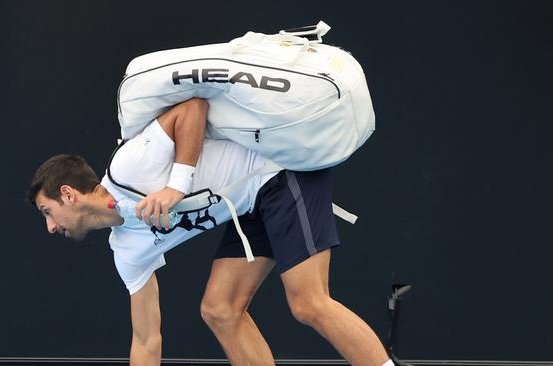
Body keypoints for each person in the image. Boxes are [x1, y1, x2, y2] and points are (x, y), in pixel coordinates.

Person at [28, 98, 394, 366]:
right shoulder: (126, 250)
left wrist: (177, 185)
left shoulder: (128, 167)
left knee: (308, 302)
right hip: (249, 205)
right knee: (220, 310)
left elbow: (193, 108)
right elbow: (145, 340)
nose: (49, 226)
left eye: (48, 212)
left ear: (68, 194)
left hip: (277, 171)